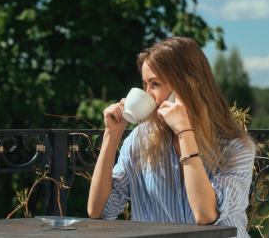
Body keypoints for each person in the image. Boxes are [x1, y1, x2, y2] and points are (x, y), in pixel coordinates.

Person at [87, 37, 255, 238]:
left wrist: (184, 131)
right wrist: (111, 136)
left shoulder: (235, 146)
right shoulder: (140, 140)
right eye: (145, 85)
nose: (147, 94)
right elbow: (99, 211)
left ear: (186, 87)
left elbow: (205, 214)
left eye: (155, 84)